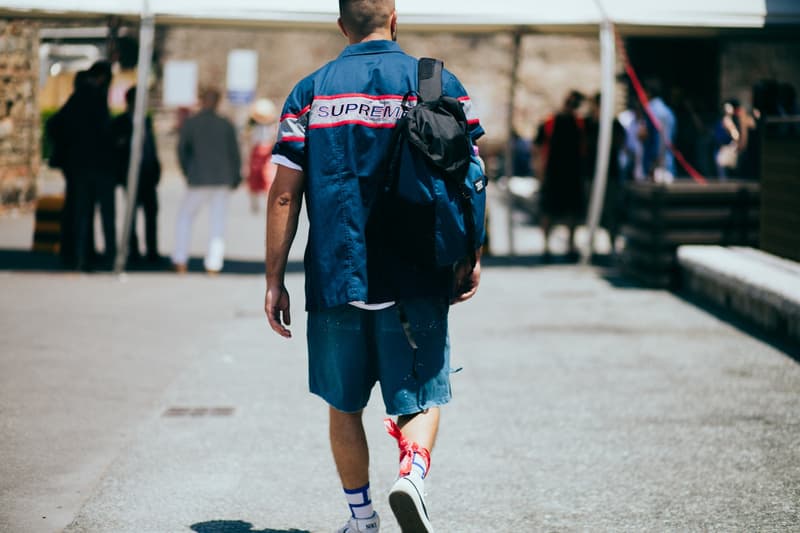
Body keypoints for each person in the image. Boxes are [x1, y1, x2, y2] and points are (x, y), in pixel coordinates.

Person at [264, 1, 484, 531]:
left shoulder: (310, 93)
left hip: (337, 274)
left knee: (344, 406)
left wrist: (274, 280)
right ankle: (413, 475)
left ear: (342, 25)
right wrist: (471, 255)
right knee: (420, 397)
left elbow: (285, 195)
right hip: (417, 271)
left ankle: (362, 520)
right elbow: (471, 175)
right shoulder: (436, 82)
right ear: (395, 18)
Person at [52, 61, 116, 271]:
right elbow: (103, 132)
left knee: (81, 212)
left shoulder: (77, 98)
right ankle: (102, 256)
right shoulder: (94, 97)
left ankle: (81, 255)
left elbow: (56, 124)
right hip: (95, 165)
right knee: (98, 213)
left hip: (80, 165)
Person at [171, 88, 241, 274]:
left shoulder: (191, 123)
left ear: (202, 101)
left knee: (185, 217)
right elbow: (235, 153)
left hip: (198, 178)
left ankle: (180, 259)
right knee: (218, 222)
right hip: (222, 179)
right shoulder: (225, 124)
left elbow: (181, 151)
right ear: (218, 102)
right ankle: (213, 264)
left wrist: (187, 171)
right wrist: (235, 177)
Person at [532, 90, 586, 260]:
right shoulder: (550, 122)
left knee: (571, 212)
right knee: (549, 211)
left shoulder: (580, 123)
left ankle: (570, 245)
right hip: (553, 173)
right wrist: (539, 170)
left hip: (573, 174)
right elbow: (537, 146)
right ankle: (546, 247)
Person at [111, 86, 162, 262]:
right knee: (131, 214)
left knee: (151, 213)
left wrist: (156, 167)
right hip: (130, 174)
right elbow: (116, 148)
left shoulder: (146, 121)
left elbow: (151, 146)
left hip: (148, 173)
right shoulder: (120, 122)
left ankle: (152, 250)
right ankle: (133, 250)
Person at [246, 98, 278, 213]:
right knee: (254, 178)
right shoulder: (252, 125)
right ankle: (254, 204)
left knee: (268, 178)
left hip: (268, 152)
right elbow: (247, 138)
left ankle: (268, 203)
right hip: (256, 152)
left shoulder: (274, 125)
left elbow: (275, 139)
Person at [642, 79, 677, 181]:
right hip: (668, 165)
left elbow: (655, 139)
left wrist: (653, 163)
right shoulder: (668, 111)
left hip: (657, 166)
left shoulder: (651, 110)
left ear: (648, 93)